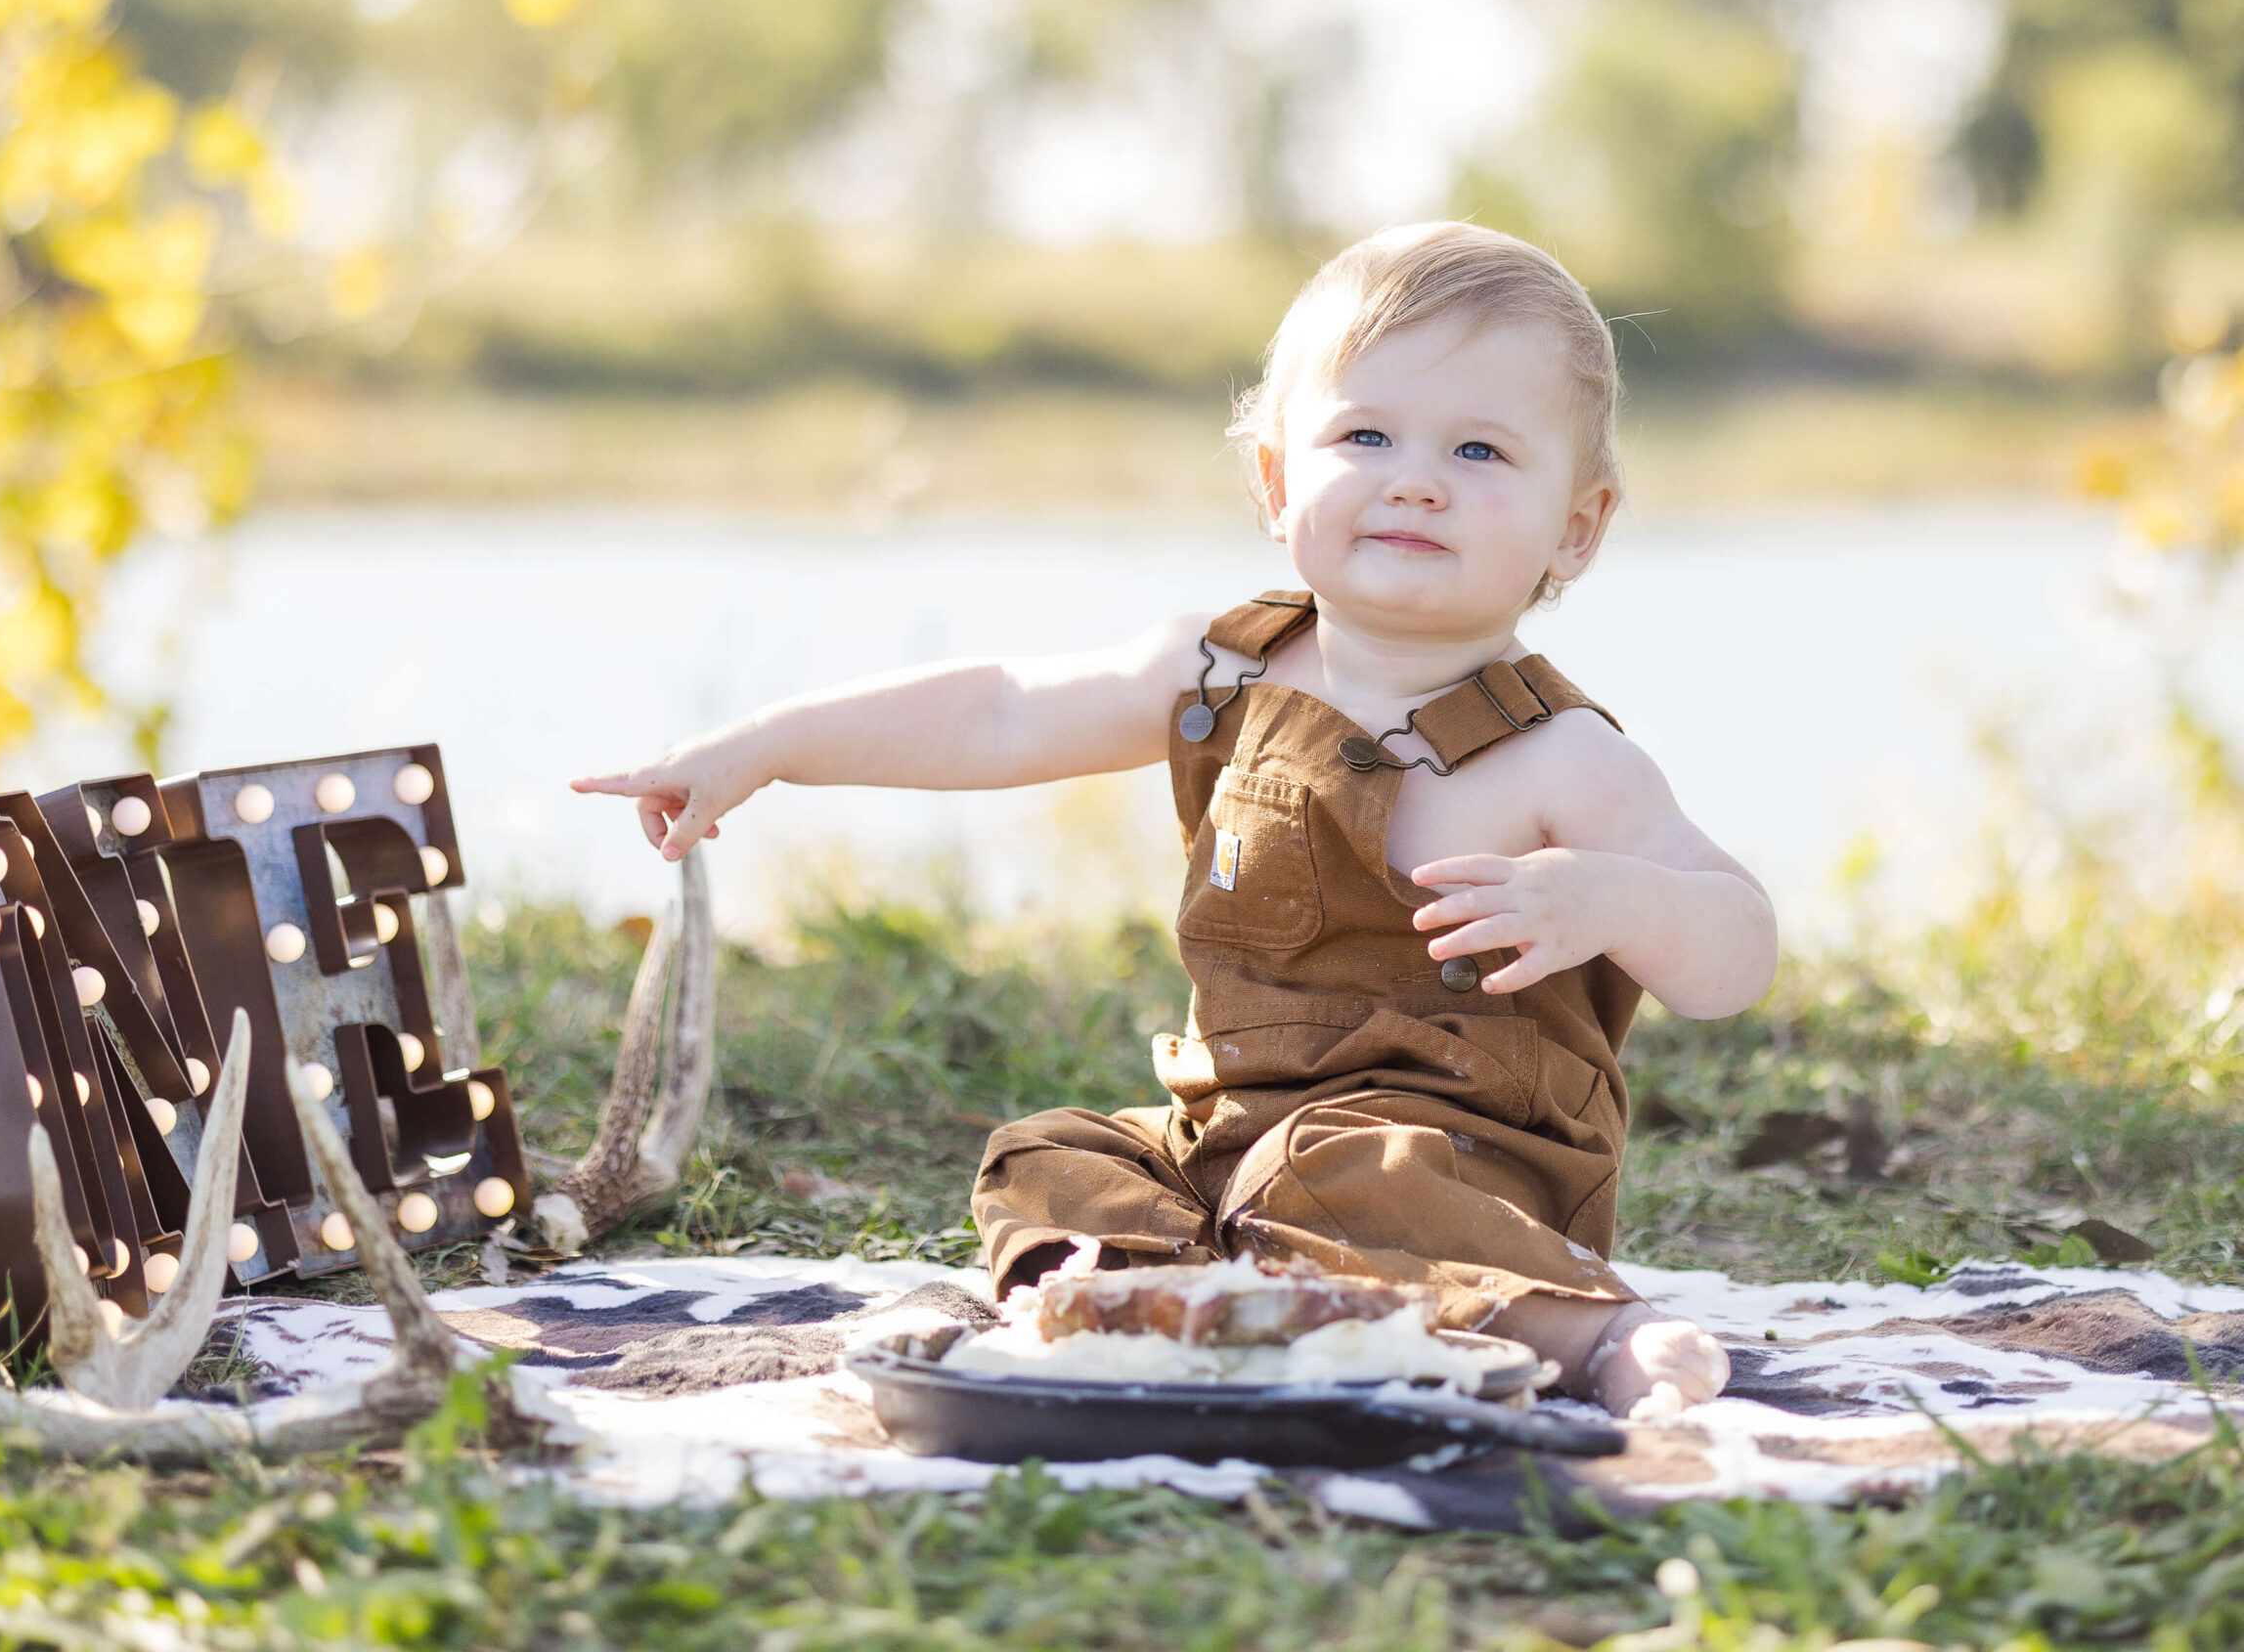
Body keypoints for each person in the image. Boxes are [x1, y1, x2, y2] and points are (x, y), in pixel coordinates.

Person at [573, 222, 1775, 1417]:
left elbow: (1737, 946)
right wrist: (765, 748)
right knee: (1055, 1156)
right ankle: (1137, 1305)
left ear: (1575, 525)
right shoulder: (1218, 675)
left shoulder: (1556, 754)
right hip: (1234, 1137)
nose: (1416, 476)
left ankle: (1595, 1332)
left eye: (1478, 448)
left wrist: (1615, 899)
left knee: (1342, 1179)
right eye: (1364, 433)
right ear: (1273, 480)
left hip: (1457, 1167)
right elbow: (1000, 710)